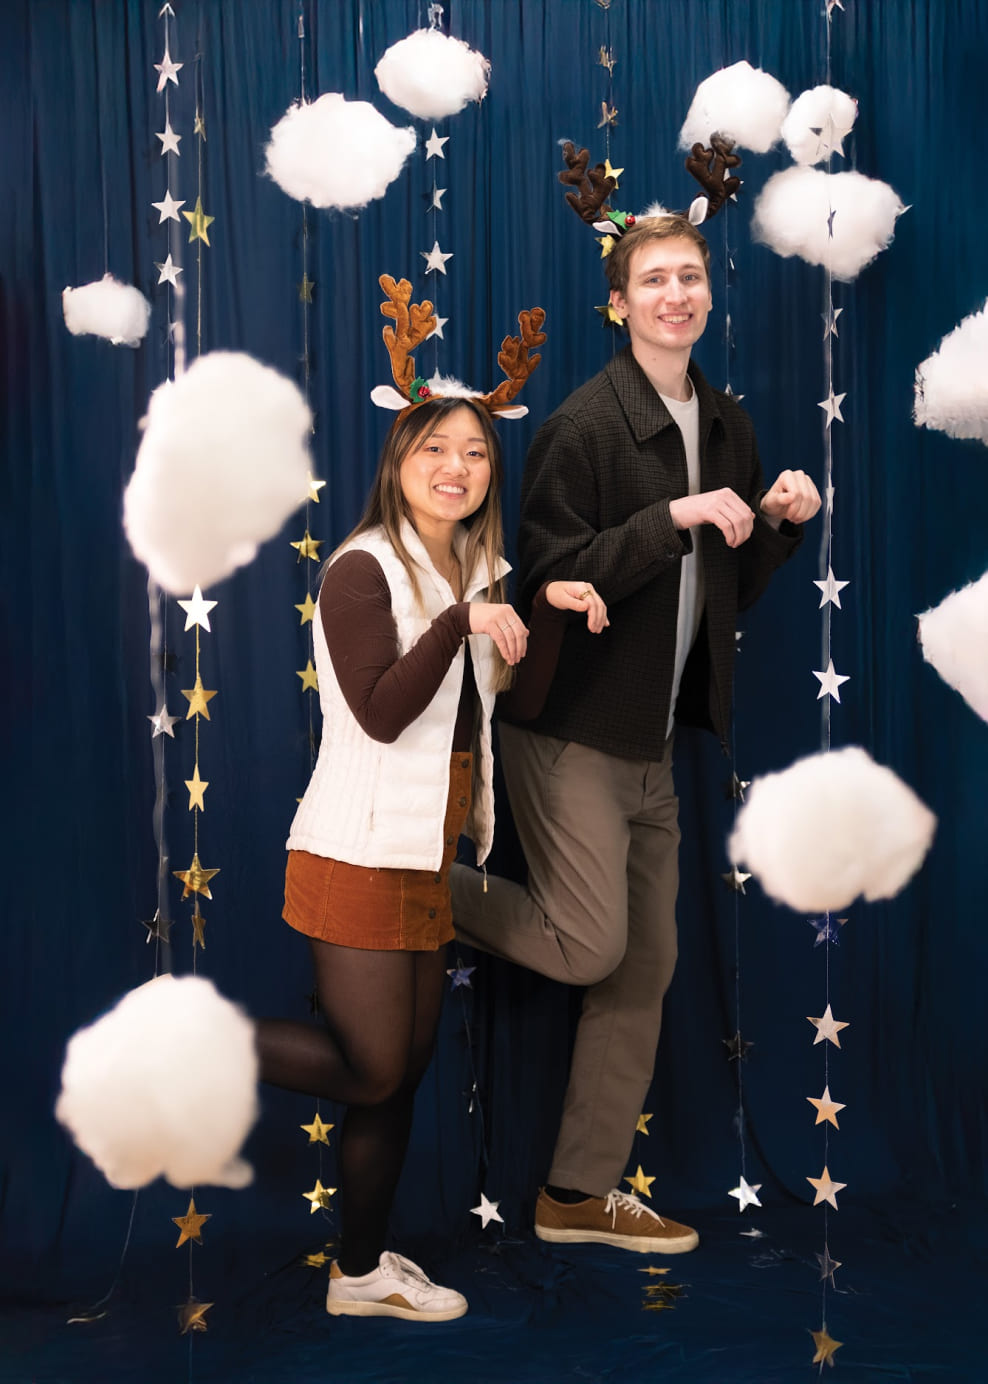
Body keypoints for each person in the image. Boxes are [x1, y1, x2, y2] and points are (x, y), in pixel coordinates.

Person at [450, 214, 821, 1254]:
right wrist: (677, 517)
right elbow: (546, 579)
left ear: (708, 295)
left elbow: (725, 595)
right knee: (588, 942)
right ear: (618, 303)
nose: (674, 295)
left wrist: (778, 524)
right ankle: (417, 888)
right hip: (570, 728)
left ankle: (577, 1192)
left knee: (642, 966)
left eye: (690, 277)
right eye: (652, 280)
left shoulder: (730, 424)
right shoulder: (585, 425)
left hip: (657, 742)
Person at [254, 345, 609, 1321]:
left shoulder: (484, 570)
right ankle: (193, 1041)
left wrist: (547, 612)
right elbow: (377, 709)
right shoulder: (360, 568)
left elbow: (513, 707)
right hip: (355, 852)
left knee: (396, 1077)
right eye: (435, 448)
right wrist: (462, 621)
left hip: (427, 861)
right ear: (398, 460)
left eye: (477, 452)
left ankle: (360, 1272)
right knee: (370, 1066)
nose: (458, 466)